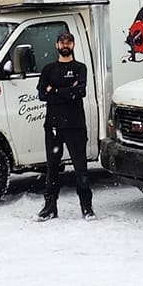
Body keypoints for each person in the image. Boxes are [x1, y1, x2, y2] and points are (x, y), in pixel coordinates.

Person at [35, 31, 94, 221]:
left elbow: (79, 92)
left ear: (73, 45)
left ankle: (87, 207)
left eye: (68, 42)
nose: (65, 45)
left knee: (81, 168)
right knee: (52, 168)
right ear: (56, 45)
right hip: (53, 126)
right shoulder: (48, 69)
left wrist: (56, 90)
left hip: (76, 126)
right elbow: (42, 95)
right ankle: (50, 207)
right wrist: (66, 91)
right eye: (62, 42)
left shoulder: (80, 68)